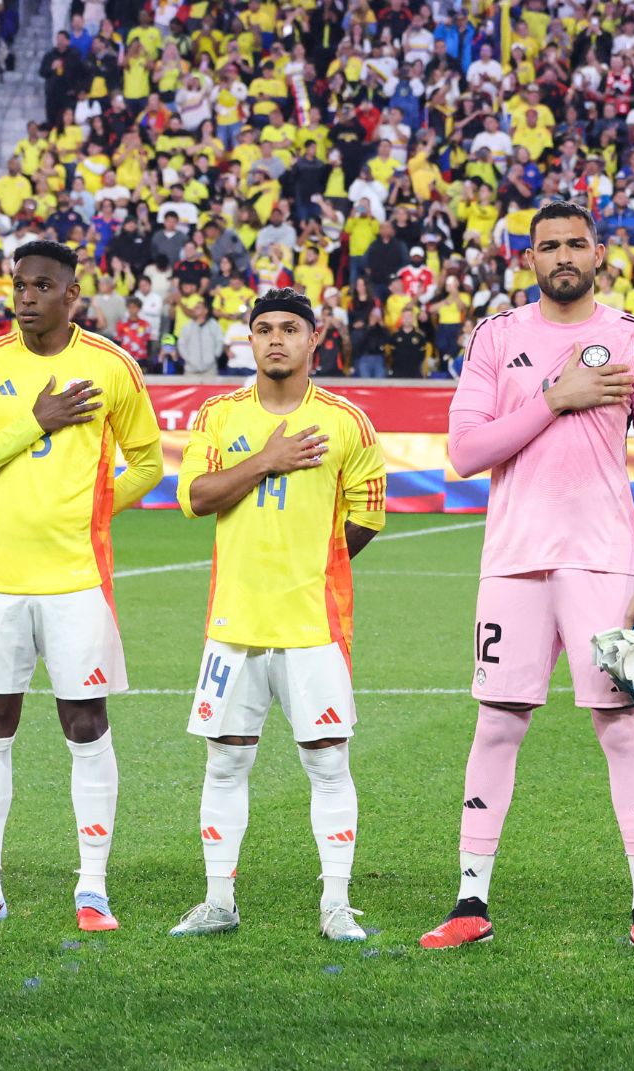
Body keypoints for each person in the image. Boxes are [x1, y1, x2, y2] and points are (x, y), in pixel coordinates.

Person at [420, 201, 634, 955]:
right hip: (513, 559)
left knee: (622, 722)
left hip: (605, 561)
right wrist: (553, 399)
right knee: (498, 721)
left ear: (599, 253)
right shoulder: (496, 338)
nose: (562, 255)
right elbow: (466, 453)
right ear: (526, 258)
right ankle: (471, 899)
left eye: (576, 244)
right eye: (548, 246)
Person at [0, 240, 163, 929]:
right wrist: (36, 421)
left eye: (41, 286)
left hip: (76, 580)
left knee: (84, 723)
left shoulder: (110, 365)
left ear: (72, 295)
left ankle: (92, 887)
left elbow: (147, 462)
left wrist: (93, 512)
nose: (26, 297)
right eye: (19, 285)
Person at [168, 288, 387, 941]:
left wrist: (313, 571)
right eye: (263, 328)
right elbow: (195, 498)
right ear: (250, 339)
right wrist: (266, 459)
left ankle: (337, 904)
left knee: (328, 763)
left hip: (312, 626)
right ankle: (218, 901)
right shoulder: (218, 414)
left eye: (289, 328)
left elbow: (368, 515)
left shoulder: (347, 422)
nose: (274, 340)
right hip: (233, 625)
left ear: (314, 339)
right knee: (225, 763)